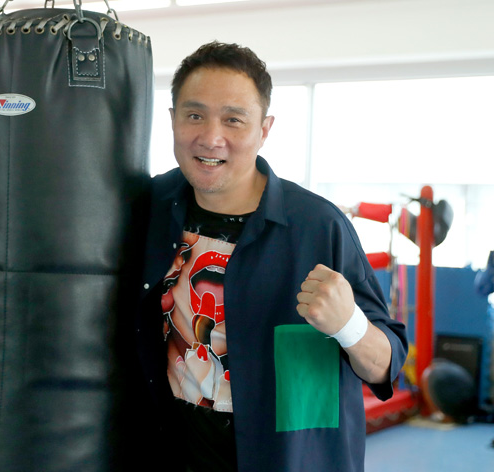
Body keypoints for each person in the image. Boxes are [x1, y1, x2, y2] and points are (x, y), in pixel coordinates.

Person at [135, 41, 408, 472]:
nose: (211, 138)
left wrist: (350, 326)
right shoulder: (151, 205)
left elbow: (386, 365)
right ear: (172, 120)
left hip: (285, 457)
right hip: (176, 451)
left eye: (233, 119)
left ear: (264, 130)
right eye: (194, 115)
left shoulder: (317, 225)